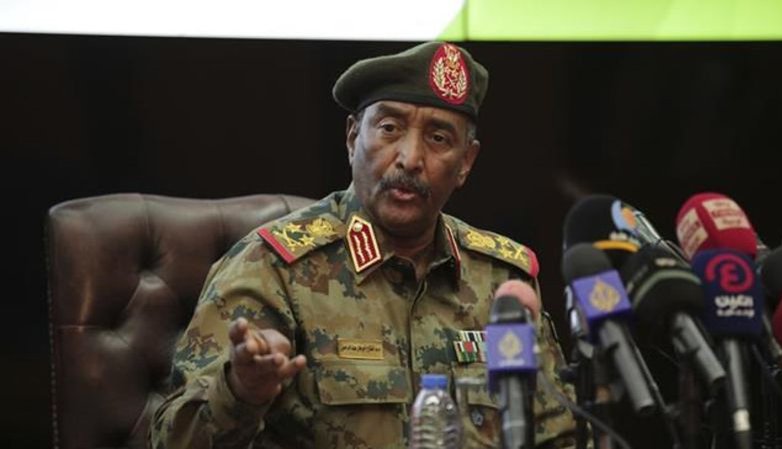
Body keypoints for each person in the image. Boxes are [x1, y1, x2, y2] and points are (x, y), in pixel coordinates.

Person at [149, 41, 577, 449]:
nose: (410, 158)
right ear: (353, 137)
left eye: (438, 138)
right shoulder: (272, 269)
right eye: (390, 129)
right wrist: (241, 392)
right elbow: (171, 440)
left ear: (465, 162)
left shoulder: (501, 281)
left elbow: (561, 434)